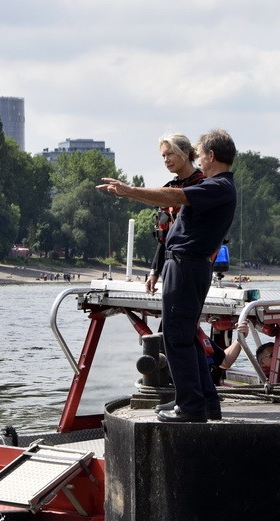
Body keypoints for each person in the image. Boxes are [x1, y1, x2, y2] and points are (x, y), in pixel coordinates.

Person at [99, 129, 238, 423]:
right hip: (187, 266)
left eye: (200, 154)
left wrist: (128, 190)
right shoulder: (218, 185)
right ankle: (204, 402)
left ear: (211, 156)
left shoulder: (217, 186)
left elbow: (174, 195)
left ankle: (190, 407)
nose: (198, 160)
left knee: (176, 337)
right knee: (184, 335)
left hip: (187, 266)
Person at [147, 134, 205, 295]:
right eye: (163, 156)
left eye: (170, 154)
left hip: (191, 266)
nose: (166, 159)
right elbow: (167, 236)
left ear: (185, 153)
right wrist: (154, 271)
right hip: (171, 266)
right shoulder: (171, 187)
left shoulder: (203, 186)